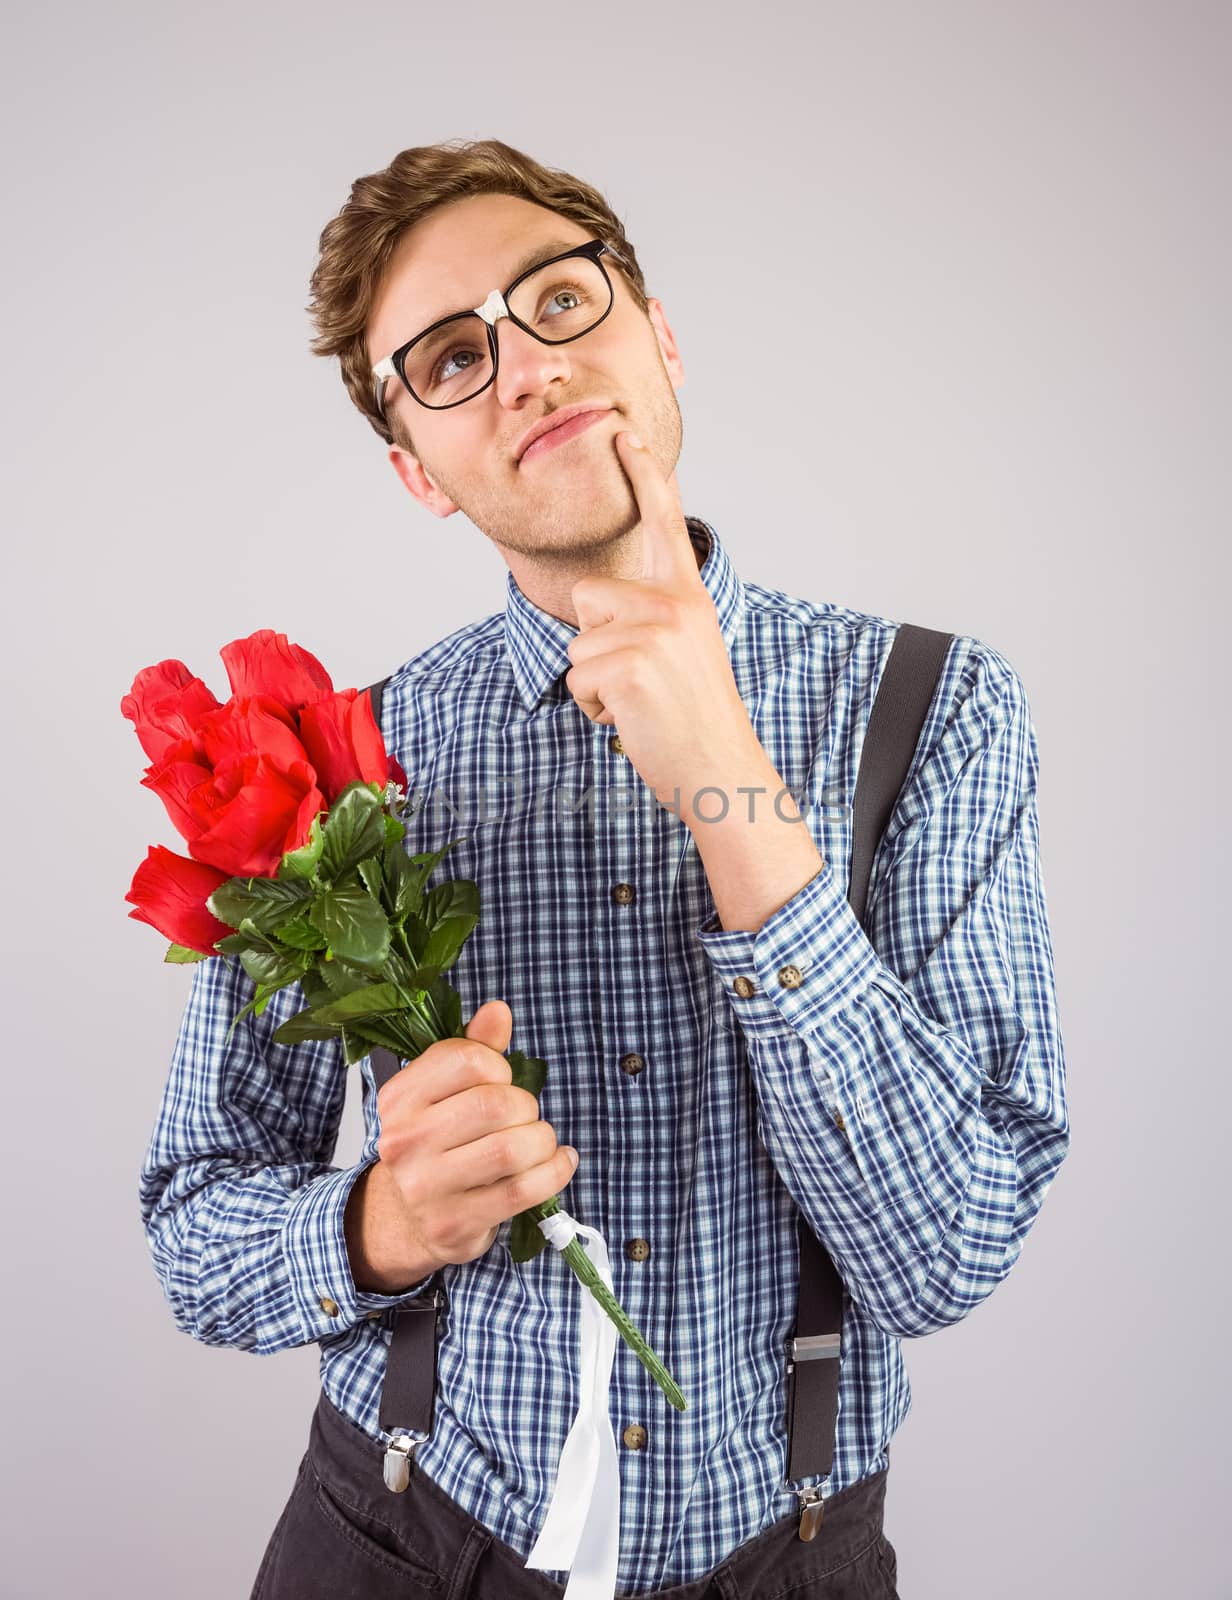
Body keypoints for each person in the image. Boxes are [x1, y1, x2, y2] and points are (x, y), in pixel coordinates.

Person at [139, 137, 1071, 1599]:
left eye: (556, 303)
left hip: (790, 1555)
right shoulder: (340, 767)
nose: (522, 367)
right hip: (398, 1535)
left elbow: (945, 1253)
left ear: (660, 337)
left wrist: (728, 780)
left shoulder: (933, 708)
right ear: (417, 471)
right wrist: (379, 1226)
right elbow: (195, 1224)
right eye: (451, 358)